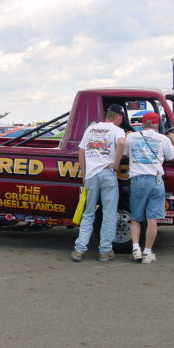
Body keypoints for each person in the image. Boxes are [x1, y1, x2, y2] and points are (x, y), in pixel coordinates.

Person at [71, 104, 126, 262]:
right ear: (116, 117)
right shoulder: (117, 130)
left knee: (88, 214)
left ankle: (79, 250)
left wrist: (84, 172)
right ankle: (104, 251)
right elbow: (122, 143)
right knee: (109, 214)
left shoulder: (91, 129)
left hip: (91, 175)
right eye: (121, 118)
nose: (122, 121)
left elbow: (81, 151)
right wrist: (115, 164)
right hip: (107, 173)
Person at [124, 112, 174, 264]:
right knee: (152, 219)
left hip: (137, 180)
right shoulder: (162, 139)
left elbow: (124, 153)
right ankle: (147, 252)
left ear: (142, 124)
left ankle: (136, 249)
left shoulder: (131, 137)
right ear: (157, 125)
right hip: (156, 180)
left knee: (136, 218)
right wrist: (173, 139)